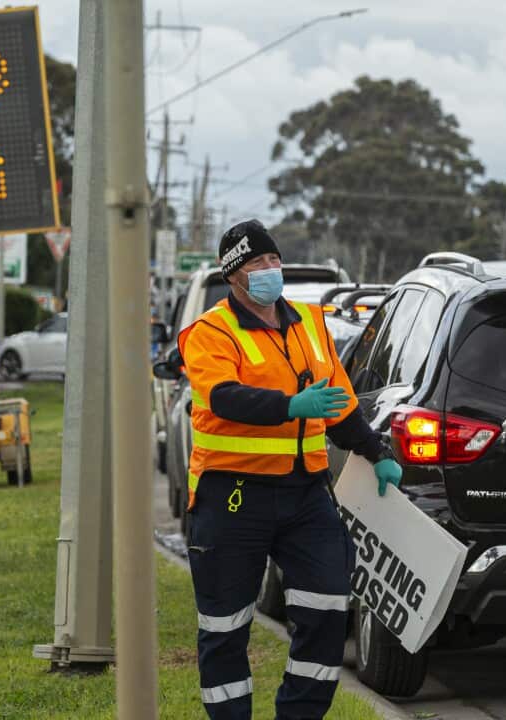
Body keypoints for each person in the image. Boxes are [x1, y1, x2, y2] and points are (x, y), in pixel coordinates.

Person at [177, 219, 403, 720]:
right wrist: (290, 406)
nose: (270, 268)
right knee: (224, 627)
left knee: (327, 610)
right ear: (234, 275)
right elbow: (223, 397)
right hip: (232, 495)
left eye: (274, 259)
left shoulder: (311, 323)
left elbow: (339, 402)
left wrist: (377, 451)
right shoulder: (210, 331)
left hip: (305, 494)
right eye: (258, 262)